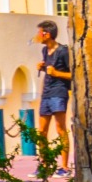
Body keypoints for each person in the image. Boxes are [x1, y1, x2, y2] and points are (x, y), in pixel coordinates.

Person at [30, 21, 73, 169]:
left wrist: (56, 73)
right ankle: (45, 164)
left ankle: (65, 166)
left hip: (59, 92)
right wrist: (42, 69)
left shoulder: (63, 51)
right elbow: (49, 71)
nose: (37, 36)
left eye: (39, 32)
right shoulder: (44, 51)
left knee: (60, 128)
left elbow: (73, 74)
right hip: (46, 93)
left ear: (47, 34)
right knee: (42, 130)